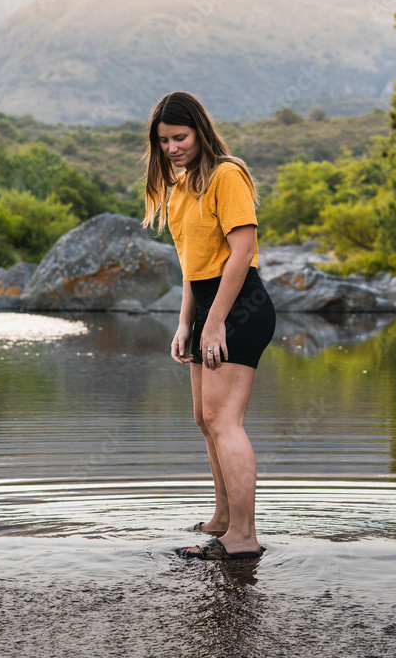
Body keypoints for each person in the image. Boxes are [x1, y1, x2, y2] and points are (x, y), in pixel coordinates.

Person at [142, 90, 276, 561]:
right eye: (163, 141)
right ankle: (222, 518)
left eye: (180, 137)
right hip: (206, 307)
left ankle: (242, 537)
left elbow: (241, 251)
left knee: (225, 421)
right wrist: (186, 324)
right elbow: (191, 266)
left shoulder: (227, 175)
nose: (172, 147)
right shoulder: (179, 190)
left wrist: (215, 321)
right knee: (205, 419)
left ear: (200, 130)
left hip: (239, 305)